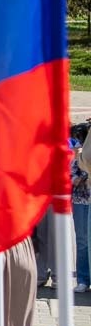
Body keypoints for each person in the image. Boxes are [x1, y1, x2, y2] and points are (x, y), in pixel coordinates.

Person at [73, 123, 90, 293]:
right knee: (82, 241)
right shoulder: (78, 149)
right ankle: (83, 279)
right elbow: (72, 172)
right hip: (80, 199)